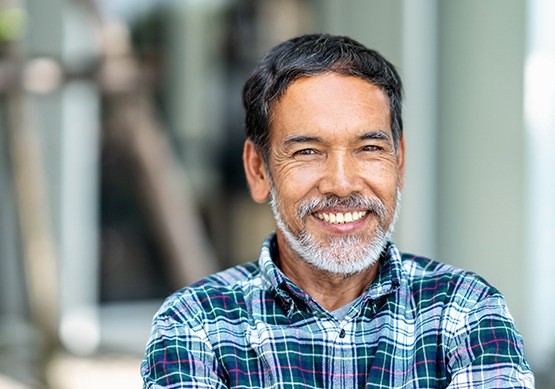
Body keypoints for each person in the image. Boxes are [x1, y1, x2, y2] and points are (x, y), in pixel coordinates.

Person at [141, 34, 534, 388]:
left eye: (369, 148)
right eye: (308, 152)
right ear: (259, 170)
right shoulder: (197, 325)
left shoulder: (465, 311)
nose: (342, 184)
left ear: (399, 163)